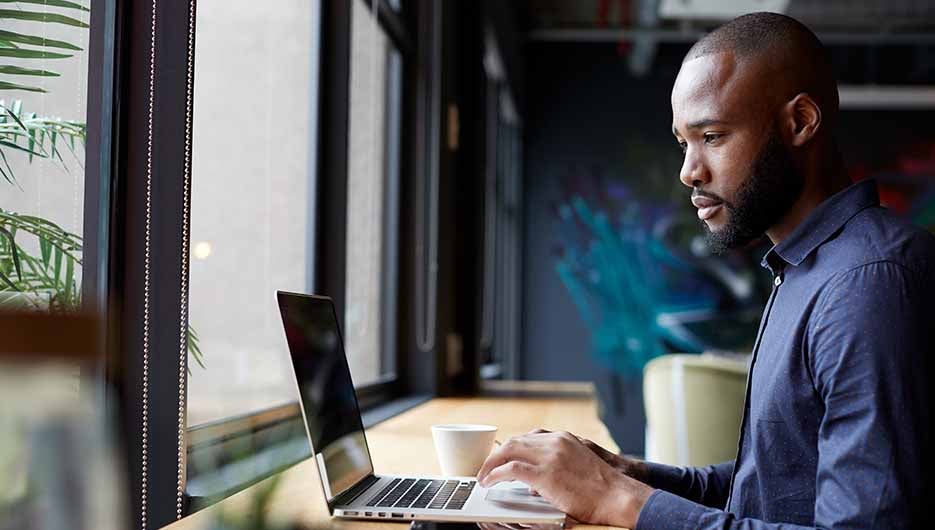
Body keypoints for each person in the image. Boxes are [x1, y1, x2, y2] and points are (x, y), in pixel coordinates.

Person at [476, 12, 935, 529]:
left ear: (801, 122)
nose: (689, 170)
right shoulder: (810, 268)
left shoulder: (867, 283)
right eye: (683, 143)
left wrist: (617, 499)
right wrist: (618, 473)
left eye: (712, 136)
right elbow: (775, 484)